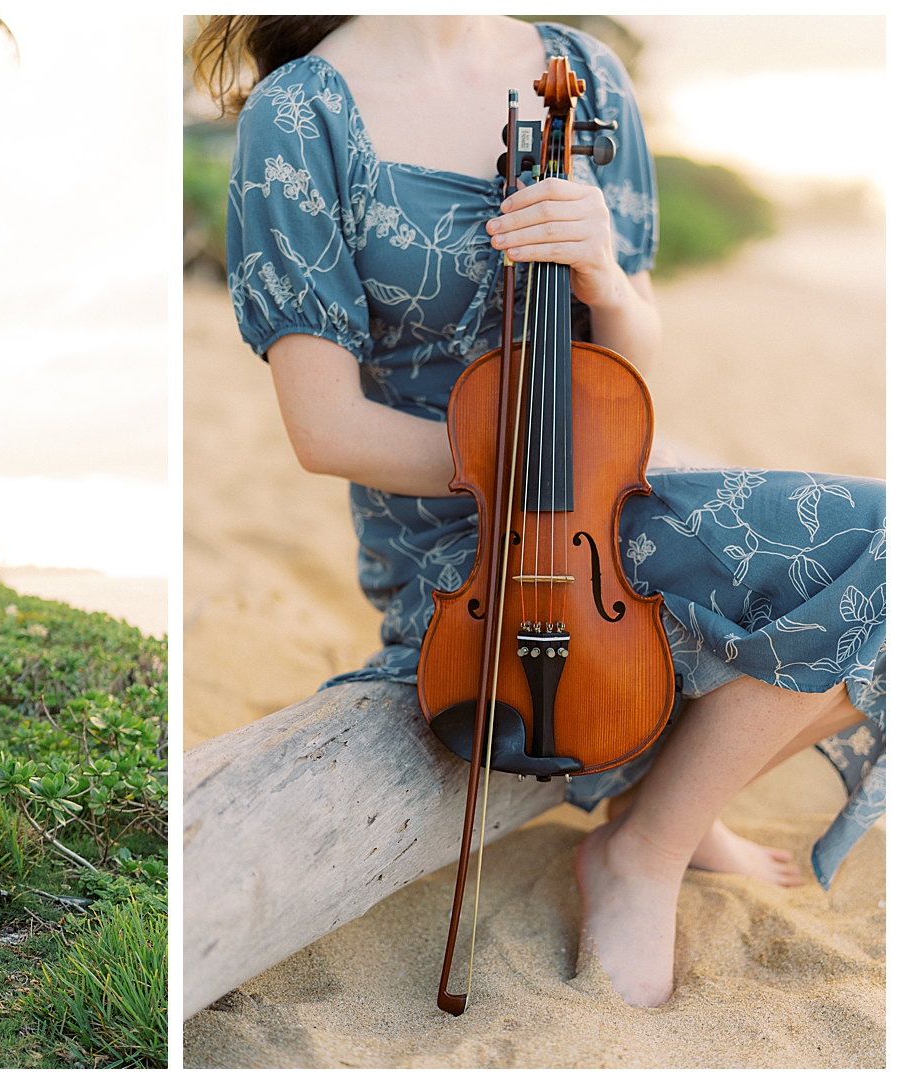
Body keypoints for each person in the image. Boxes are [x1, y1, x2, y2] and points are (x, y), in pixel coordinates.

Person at [194, 15, 885, 1008]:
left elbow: (631, 349)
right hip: (457, 529)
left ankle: (646, 843)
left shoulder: (583, 73)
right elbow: (327, 430)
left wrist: (604, 270)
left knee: (881, 556)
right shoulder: (300, 111)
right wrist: (526, 469)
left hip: (599, 485)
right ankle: (659, 815)